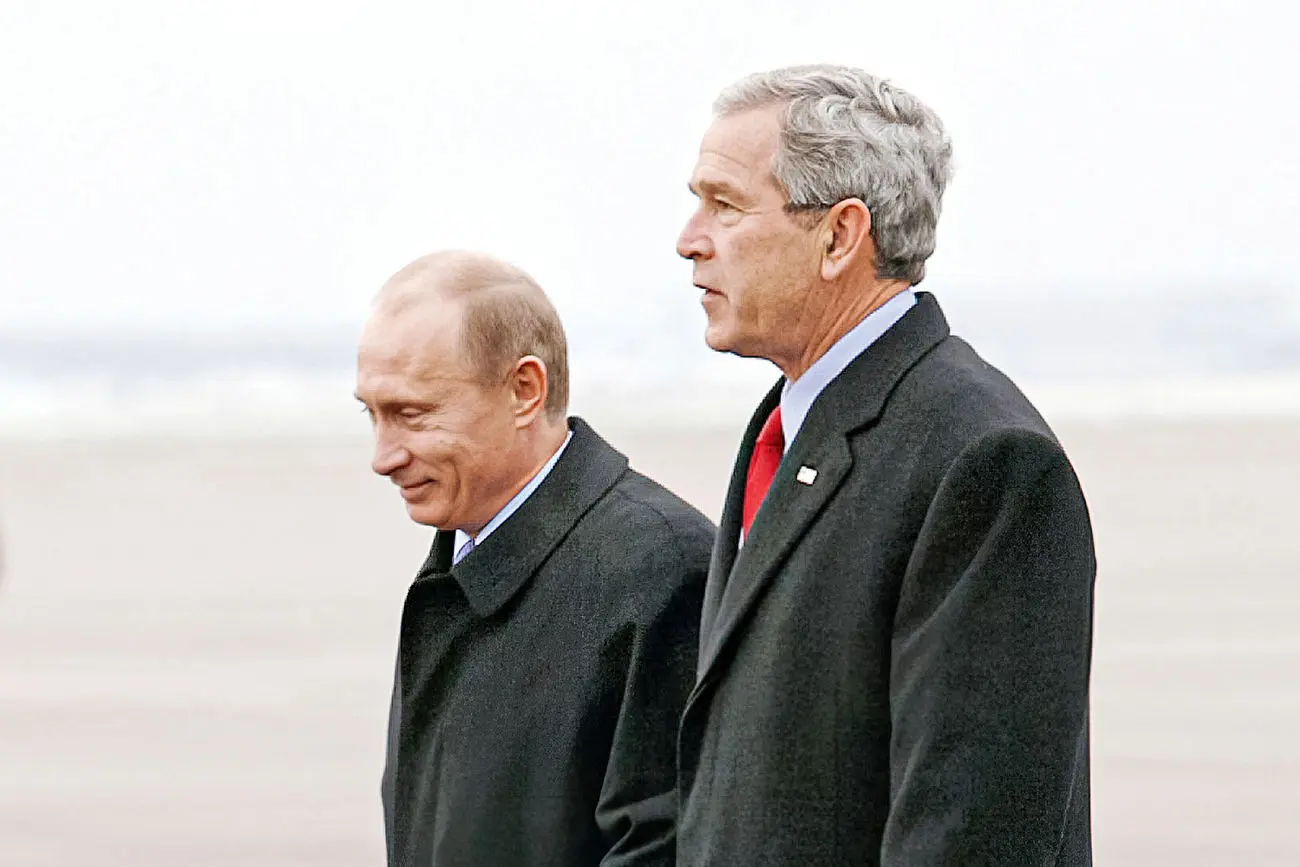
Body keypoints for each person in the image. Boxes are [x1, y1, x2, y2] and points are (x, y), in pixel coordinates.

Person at [673, 65, 1097, 865]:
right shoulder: (785, 423)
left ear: (839, 236)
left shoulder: (987, 461)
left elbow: (972, 835)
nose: (689, 238)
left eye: (724, 205)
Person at [356, 251, 713, 867]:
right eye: (372, 414)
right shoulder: (464, 551)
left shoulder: (662, 569)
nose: (383, 456)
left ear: (525, 391)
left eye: (411, 415)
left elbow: (666, 845)